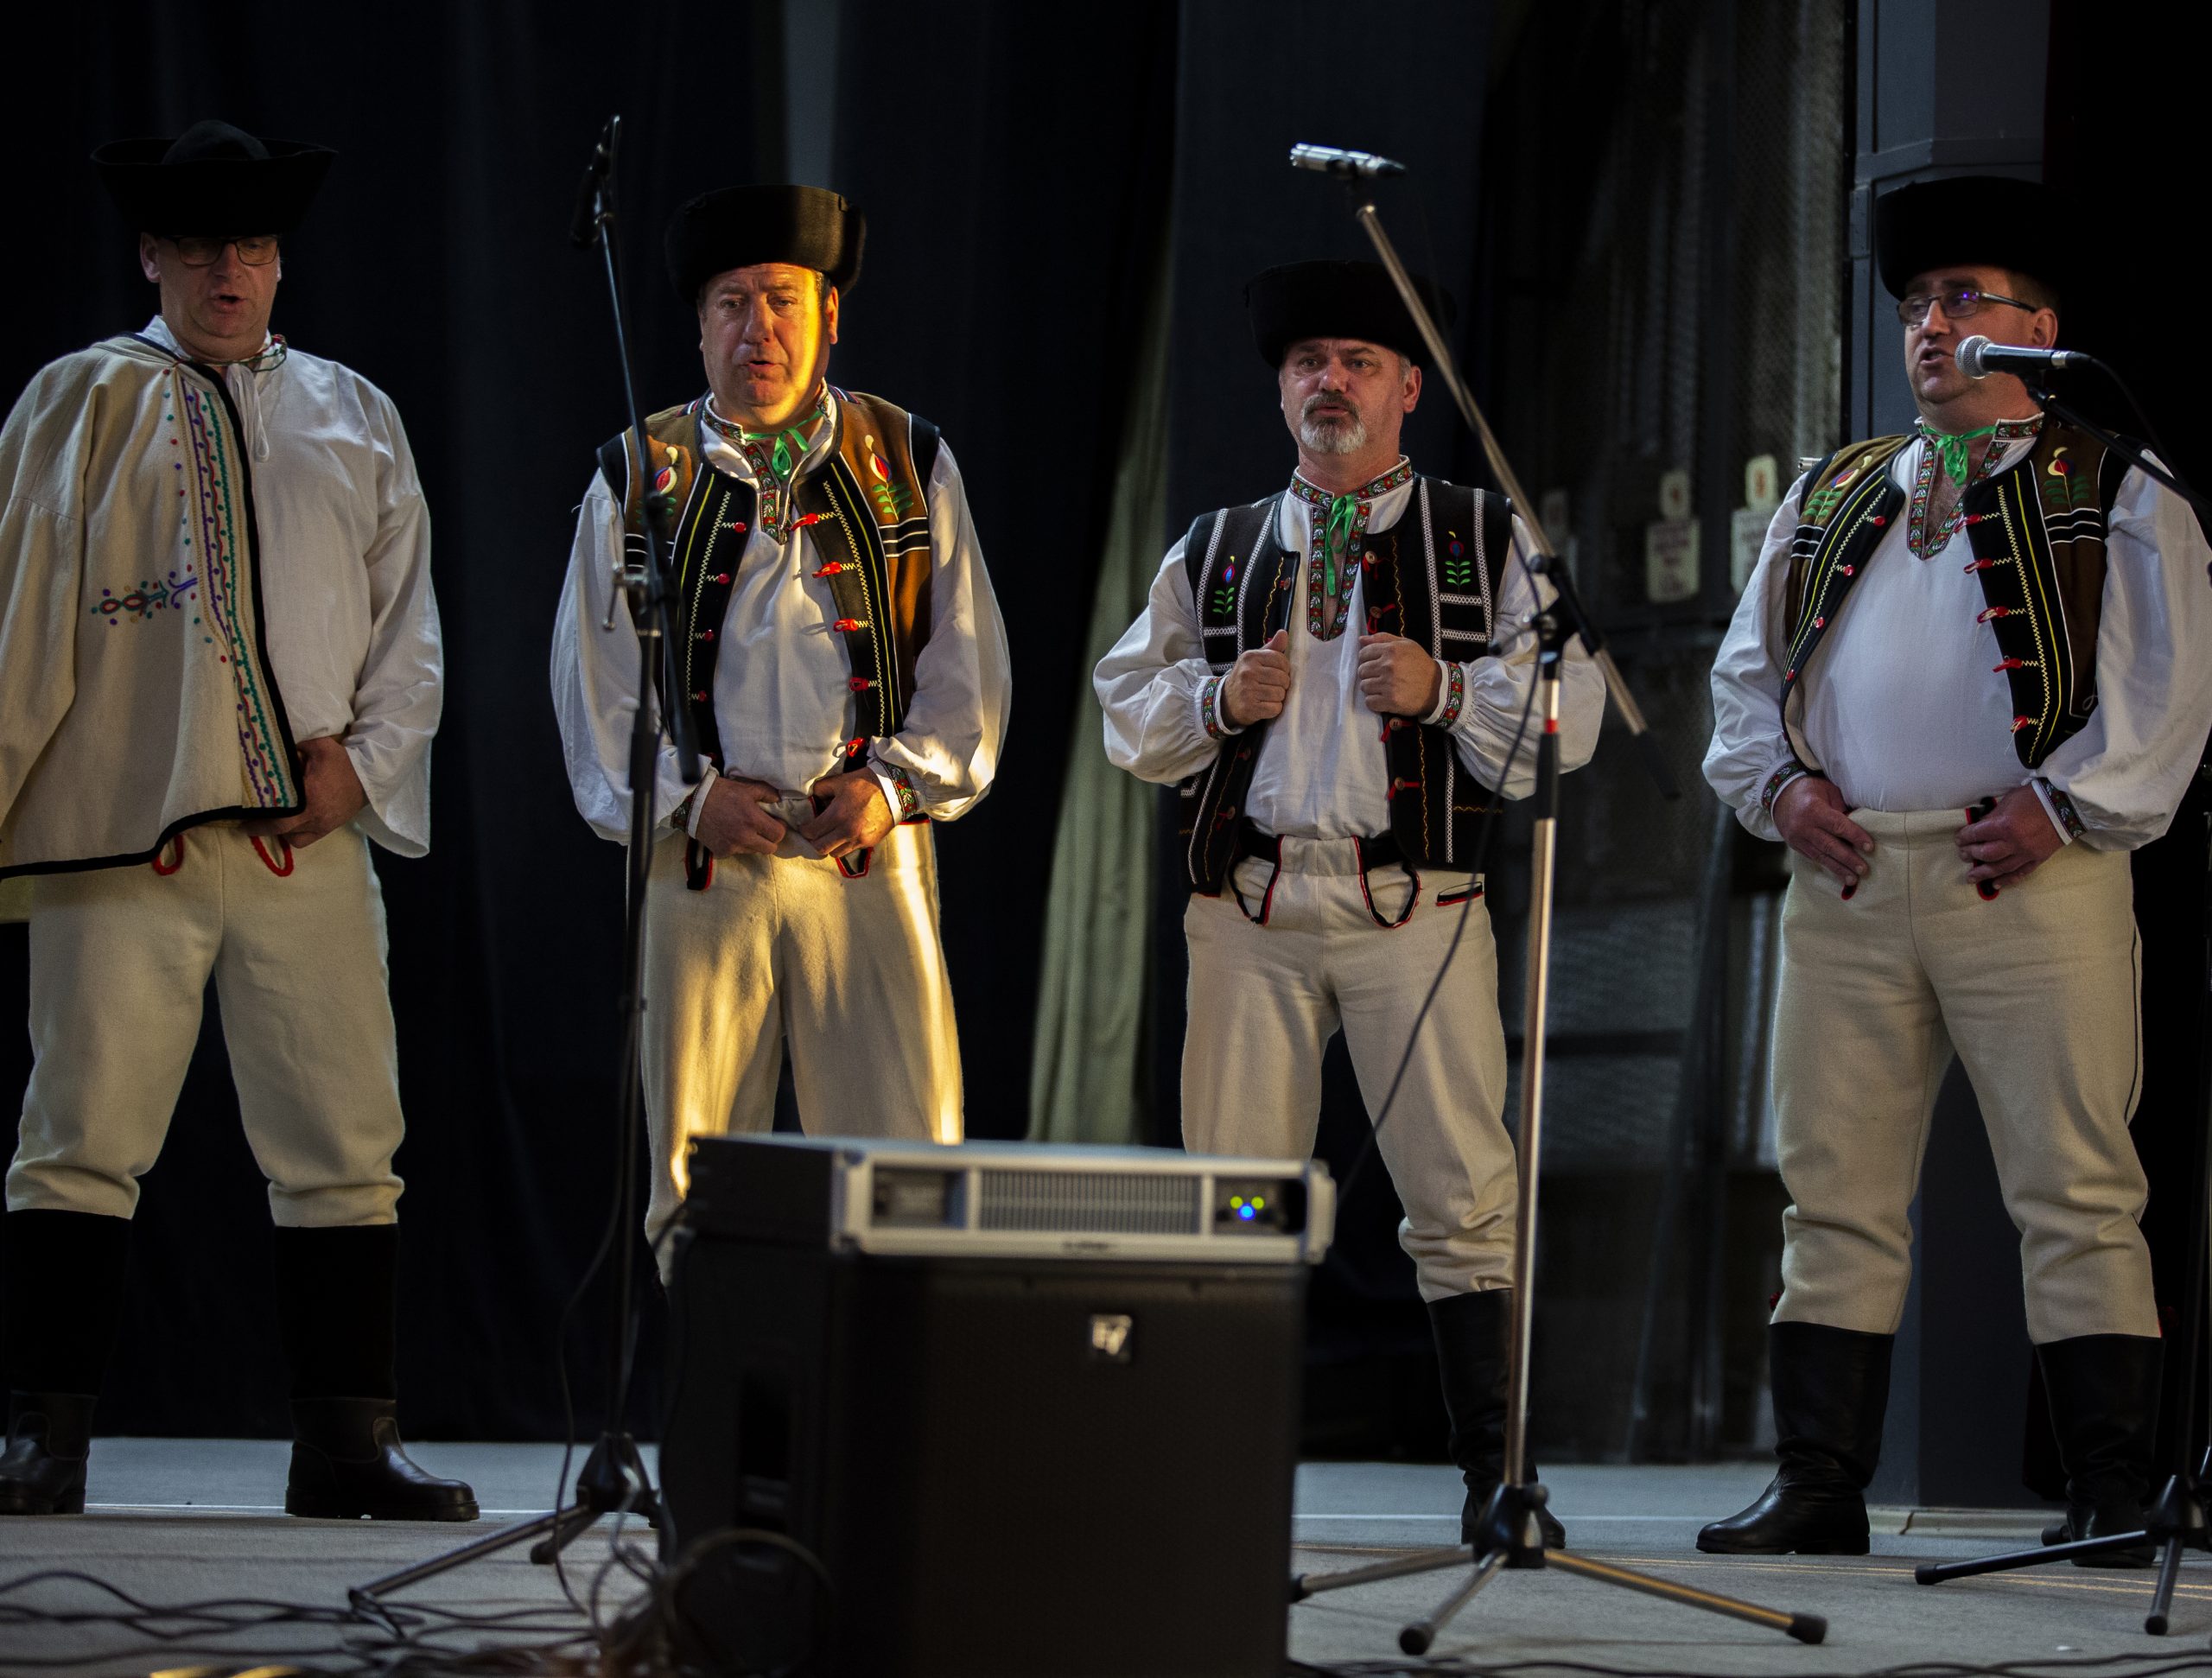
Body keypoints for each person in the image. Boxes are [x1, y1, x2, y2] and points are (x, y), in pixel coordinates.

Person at [1700, 174, 2212, 1560]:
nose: (1931, 324)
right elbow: (1746, 678)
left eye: (1964, 299)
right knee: (1832, 1186)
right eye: (1919, 303)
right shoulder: (1835, 488)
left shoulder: (2117, 483)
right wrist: (1782, 788)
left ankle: (2111, 1488)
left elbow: (2165, 690)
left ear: (2038, 329)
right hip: (1851, 878)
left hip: (2032, 876)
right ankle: (1818, 1482)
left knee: (2077, 1184)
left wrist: (2068, 805)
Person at [0, 121, 470, 1520]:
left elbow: (408, 626)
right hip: (121, 838)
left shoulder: (352, 413)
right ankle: (43, 1438)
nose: (230, 272)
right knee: (80, 1132)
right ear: (153, 255)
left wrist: (361, 772)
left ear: (278, 262)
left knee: (345, 1139)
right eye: (202, 246)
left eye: (252, 246)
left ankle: (346, 1444)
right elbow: (13, 619)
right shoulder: (78, 400)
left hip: (302, 844)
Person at [1095, 259, 1603, 1547]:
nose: (1332, 381)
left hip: (1414, 906)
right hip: (1250, 910)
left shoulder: (1485, 535)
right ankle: (1218, 1477)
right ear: (1281, 389)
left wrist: (1445, 689)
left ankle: (1496, 1478)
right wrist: (1218, 700)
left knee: (1460, 1191)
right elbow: (1125, 710)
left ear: (1408, 388)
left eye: (1360, 362)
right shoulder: (1213, 548)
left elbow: (1576, 716)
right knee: (1236, 1193)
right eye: (1309, 362)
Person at [552, 185, 1008, 1262]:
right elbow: (595, 690)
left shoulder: (908, 457)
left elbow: (969, 669)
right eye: (732, 303)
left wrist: (892, 786)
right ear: (699, 325)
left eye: (783, 300)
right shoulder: (636, 474)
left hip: (870, 862)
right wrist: (689, 799)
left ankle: (893, 1372)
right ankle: (709, 1368)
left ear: (829, 315)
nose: (758, 329)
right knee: (695, 1173)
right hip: (702, 868)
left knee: (907, 1167)